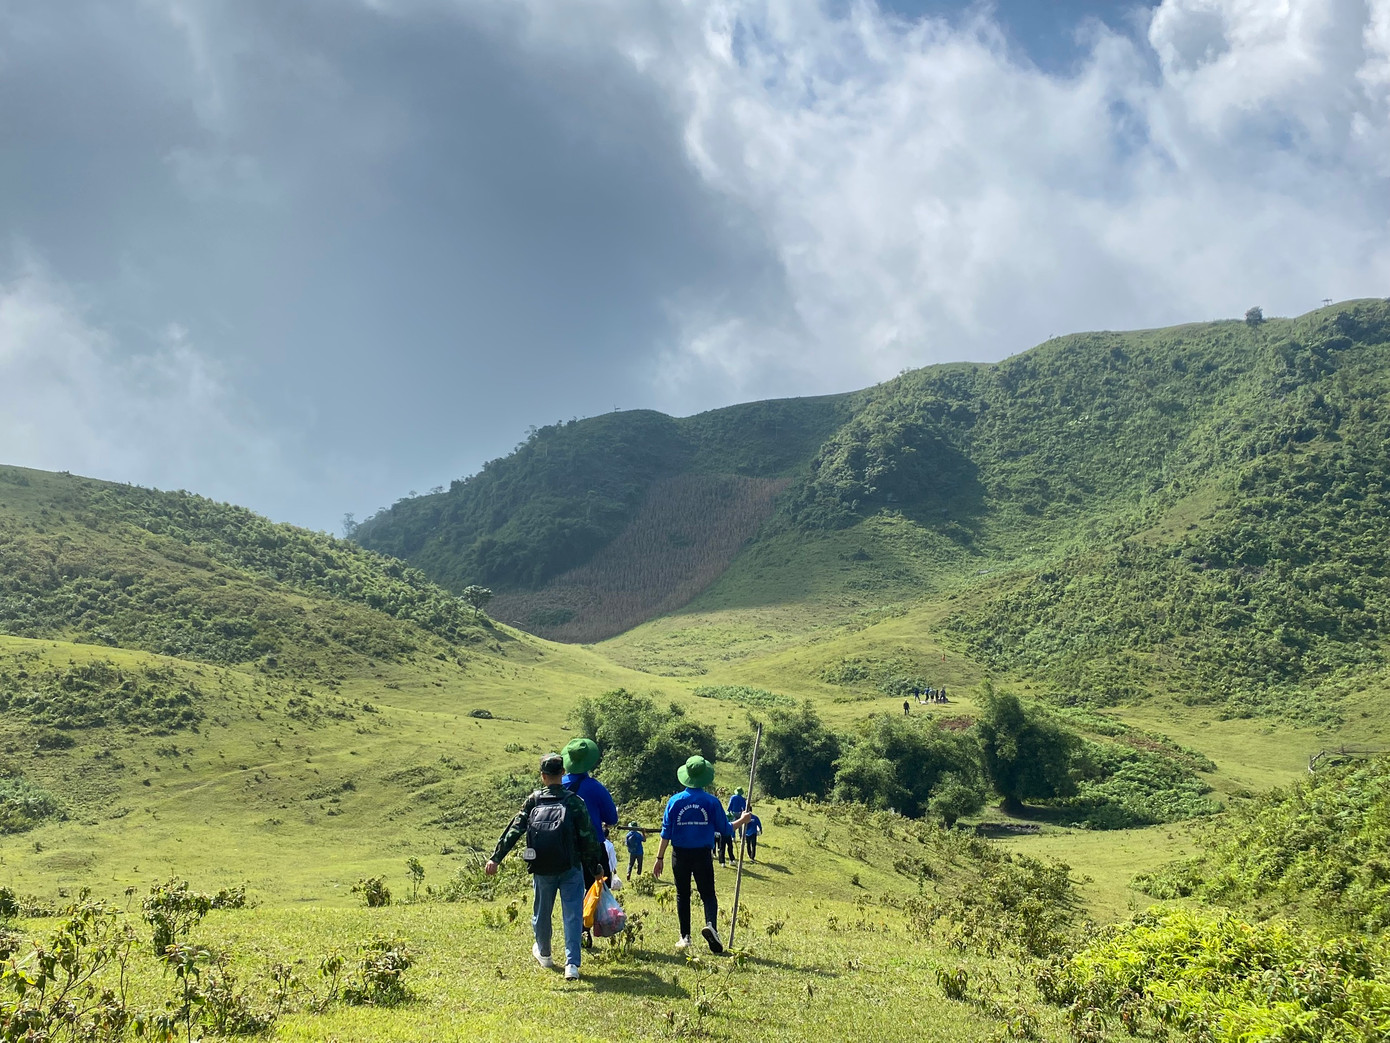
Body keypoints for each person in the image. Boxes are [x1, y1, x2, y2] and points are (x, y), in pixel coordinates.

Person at [485, 752, 605, 981]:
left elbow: (514, 830)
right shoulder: (574, 802)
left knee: (541, 913)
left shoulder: (534, 800)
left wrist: (496, 858)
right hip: (571, 867)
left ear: (542, 776)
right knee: (572, 914)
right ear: (562, 774)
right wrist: (594, 866)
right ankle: (572, 965)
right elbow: (588, 838)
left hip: (541, 867)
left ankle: (545, 953)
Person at [653, 755, 751, 953]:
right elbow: (725, 829)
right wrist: (743, 819)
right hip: (702, 854)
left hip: (679, 855)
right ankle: (711, 926)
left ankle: (685, 937)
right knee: (708, 894)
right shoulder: (711, 802)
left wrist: (659, 858)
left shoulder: (674, 801)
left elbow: (666, 832)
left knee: (682, 894)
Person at [561, 737, 619, 943]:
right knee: (593, 888)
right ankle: (586, 929)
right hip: (592, 846)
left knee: (570, 891)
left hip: (564, 848)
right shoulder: (595, 787)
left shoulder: (559, 786)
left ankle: (574, 930)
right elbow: (612, 818)